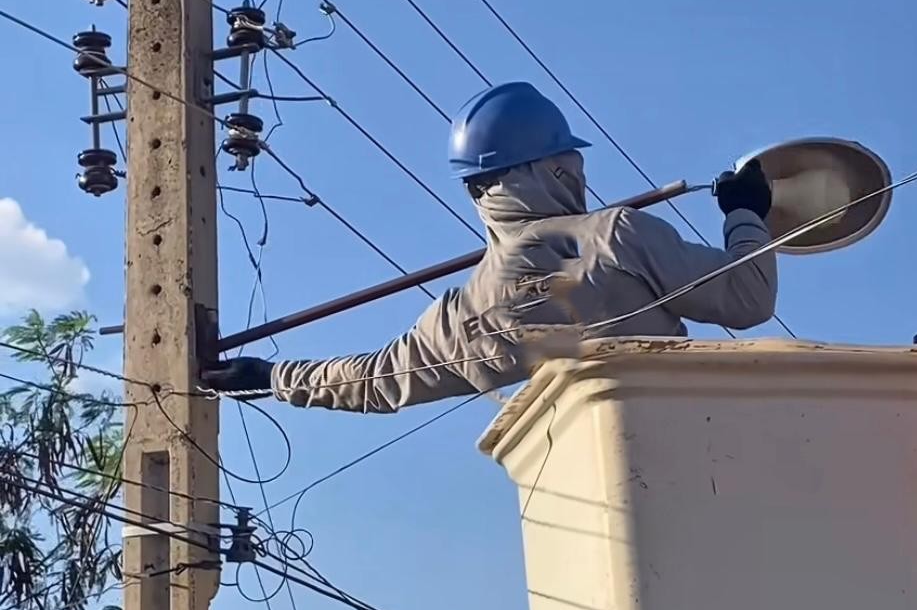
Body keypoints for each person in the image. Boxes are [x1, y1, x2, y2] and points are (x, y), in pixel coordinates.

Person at [202, 81, 778, 413]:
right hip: (698, 442)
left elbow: (376, 379)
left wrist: (273, 376)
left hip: (596, 483)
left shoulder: (475, 307)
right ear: (551, 169)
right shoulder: (615, 234)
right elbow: (748, 298)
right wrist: (746, 213)